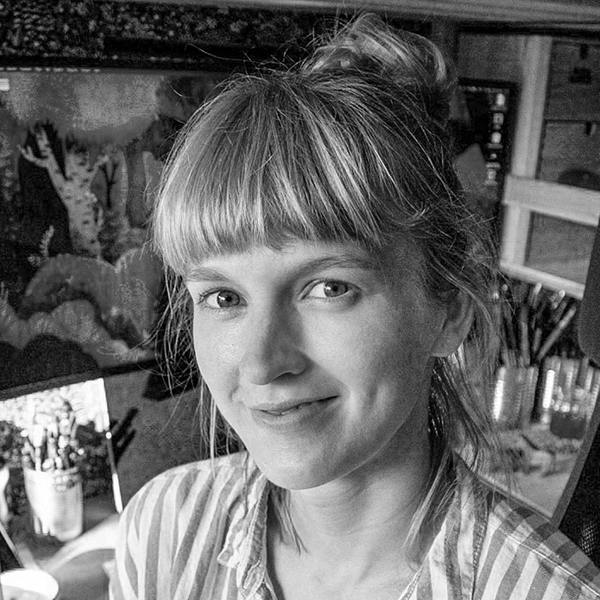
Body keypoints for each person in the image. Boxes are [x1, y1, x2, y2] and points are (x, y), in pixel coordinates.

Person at [109, 14, 600, 600]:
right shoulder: (161, 529)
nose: (262, 365)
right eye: (224, 297)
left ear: (448, 308)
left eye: (329, 288)